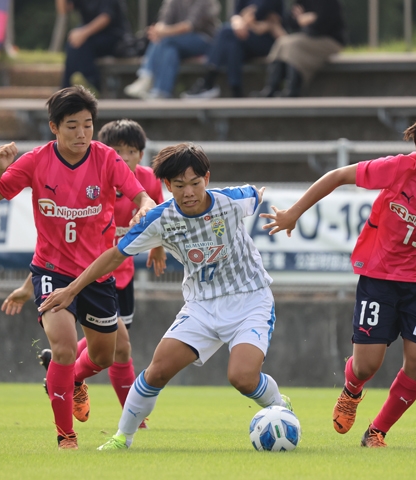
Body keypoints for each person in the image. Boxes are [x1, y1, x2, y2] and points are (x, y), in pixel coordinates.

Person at [38, 142, 292, 450]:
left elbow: (257, 193)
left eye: (195, 183)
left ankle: (280, 408)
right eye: (180, 186)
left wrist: (285, 212)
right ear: (167, 185)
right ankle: (123, 438)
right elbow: (114, 256)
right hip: (201, 306)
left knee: (241, 377)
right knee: (156, 371)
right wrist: (72, 289)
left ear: (207, 179)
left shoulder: (232, 200)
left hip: (251, 299)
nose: (189, 192)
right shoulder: (160, 219)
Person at [261, 112, 416, 448]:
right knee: (367, 364)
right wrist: (294, 212)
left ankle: (377, 432)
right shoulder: (401, 167)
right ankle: (352, 390)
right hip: (380, 276)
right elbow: (339, 175)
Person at [0, 86, 157, 450]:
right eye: (72, 126)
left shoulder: (106, 159)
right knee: (61, 347)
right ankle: (66, 437)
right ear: (54, 128)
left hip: (96, 275)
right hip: (51, 271)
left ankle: (72, 380)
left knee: (105, 356)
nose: (81, 134)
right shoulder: (35, 161)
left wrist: (143, 205)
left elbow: (142, 194)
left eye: (88, 125)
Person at [182, 0, 284, 98]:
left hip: (268, 42)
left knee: (226, 31)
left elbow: (257, 14)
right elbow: (235, 14)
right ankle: (236, 92)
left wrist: (242, 20)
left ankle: (209, 81)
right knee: (233, 44)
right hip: (244, 38)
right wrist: (238, 20)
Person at [123, 0, 221, 99]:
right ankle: (160, 92)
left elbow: (189, 26)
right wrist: (159, 30)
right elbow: (163, 21)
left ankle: (146, 76)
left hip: (205, 41)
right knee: (171, 50)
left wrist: (163, 32)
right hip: (176, 42)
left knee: (166, 40)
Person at [257, 0, 346, 98]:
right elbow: (290, 21)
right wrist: (303, 19)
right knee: (282, 42)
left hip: (330, 40)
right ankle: (272, 88)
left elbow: (323, 25)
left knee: (294, 45)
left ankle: (293, 89)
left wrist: (305, 21)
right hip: (307, 38)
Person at [58, 0, 132, 92]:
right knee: (73, 44)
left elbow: (106, 17)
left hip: (114, 38)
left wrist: (83, 33)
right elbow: (64, 10)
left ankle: (91, 84)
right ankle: (66, 89)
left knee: (82, 44)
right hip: (91, 37)